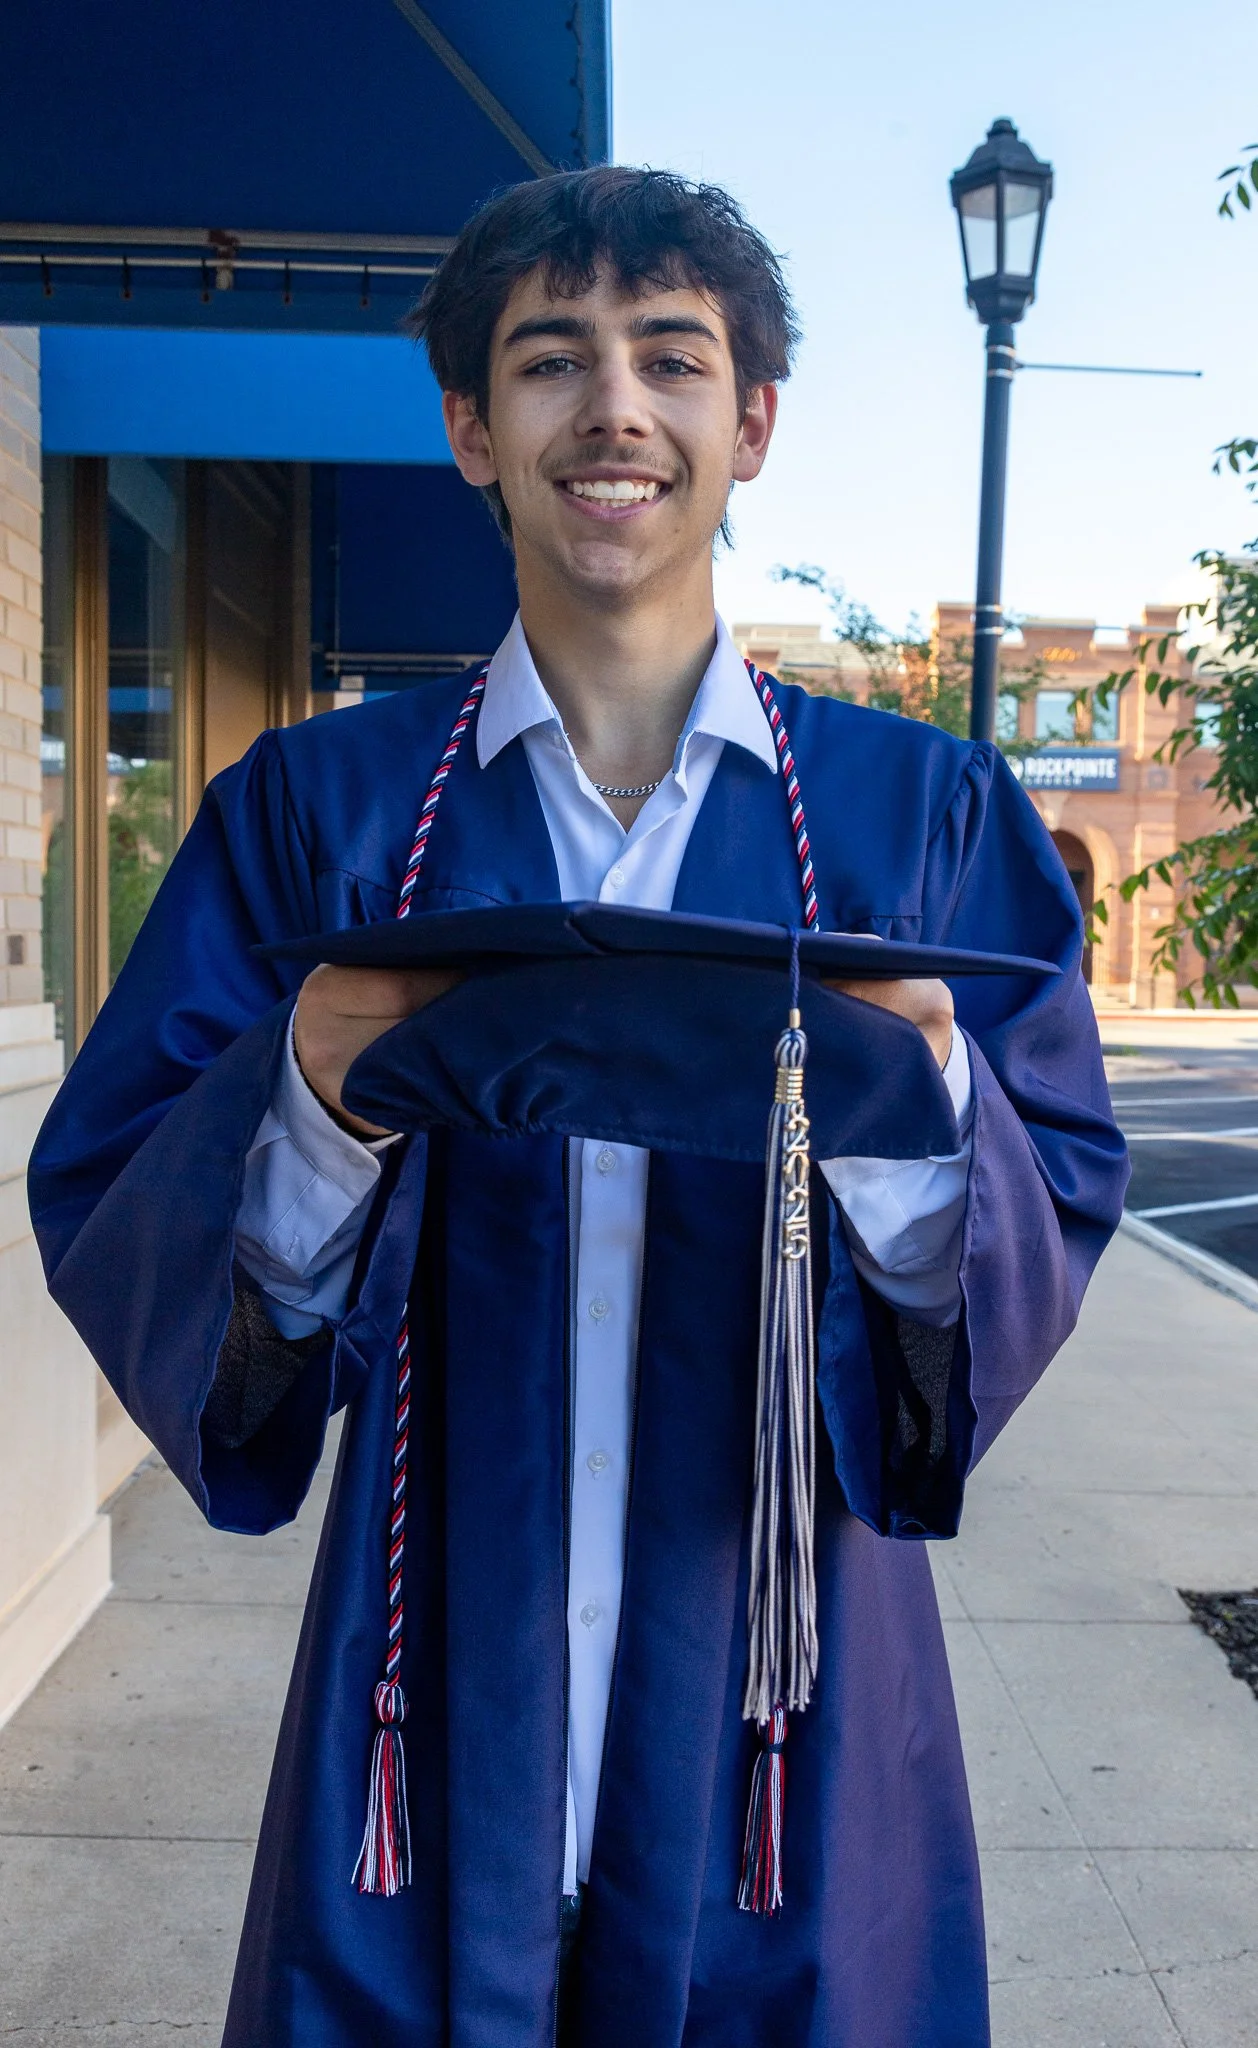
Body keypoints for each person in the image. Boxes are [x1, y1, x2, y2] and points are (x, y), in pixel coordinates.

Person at [30, 167, 1128, 2048]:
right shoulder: (323, 819)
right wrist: (309, 1091)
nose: (612, 409)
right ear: (470, 425)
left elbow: (1032, 1237)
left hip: (796, 1705)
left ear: (748, 423)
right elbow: (130, 1198)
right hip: (427, 1694)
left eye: (670, 360)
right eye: (548, 362)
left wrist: (923, 1090)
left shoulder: (919, 819)